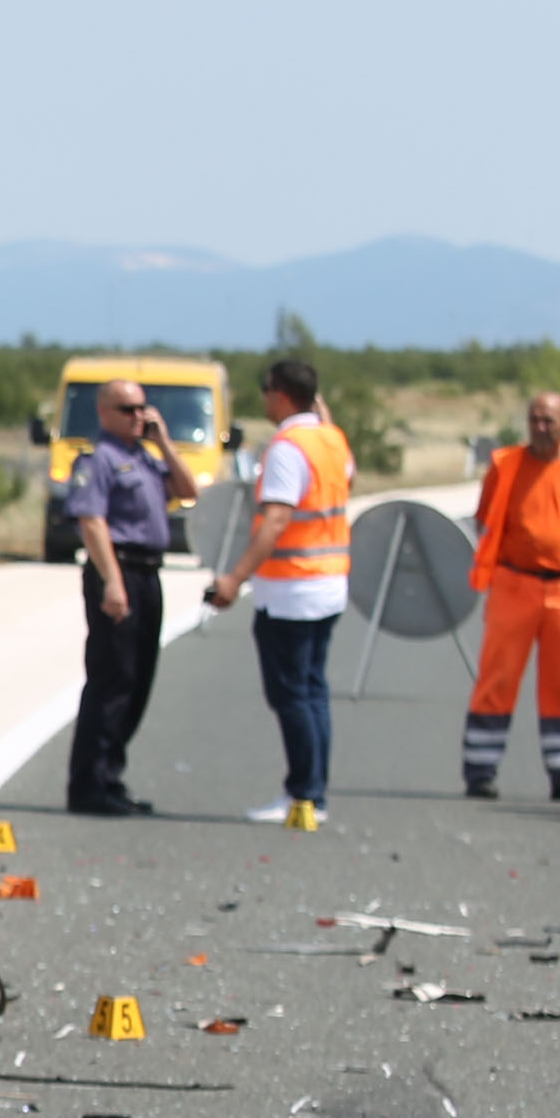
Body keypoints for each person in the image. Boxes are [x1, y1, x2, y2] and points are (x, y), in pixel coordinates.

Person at [205, 354, 355, 827]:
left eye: (267, 388)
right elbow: (346, 474)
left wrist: (235, 578)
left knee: (292, 694)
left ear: (281, 394)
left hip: (292, 591)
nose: (263, 396)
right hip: (328, 583)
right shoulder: (331, 440)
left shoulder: (288, 448)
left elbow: (275, 520)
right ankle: (314, 795)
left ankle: (303, 795)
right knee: (312, 691)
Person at [459, 390, 560, 801]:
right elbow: (485, 520)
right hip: (514, 584)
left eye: (548, 421)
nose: (541, 429)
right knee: (498, 677)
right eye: (534, 420)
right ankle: (480, 770)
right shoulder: (505, 465)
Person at [61, 378, 199, 816]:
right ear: (104, 413)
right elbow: (92, 521)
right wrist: (113, 582)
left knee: (138, 679)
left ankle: (110, 776)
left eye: (143, 408)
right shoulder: (99, 459)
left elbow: (188, 490)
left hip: (147, 573)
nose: (140, 415)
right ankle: (88, 784)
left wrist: (164, 443)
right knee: (112, 678)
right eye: (129, 409)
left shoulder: (144, 457)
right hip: (116, 569)